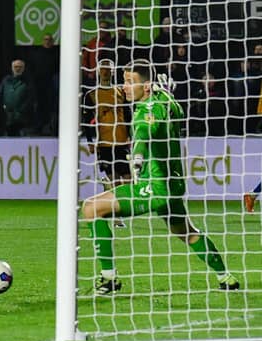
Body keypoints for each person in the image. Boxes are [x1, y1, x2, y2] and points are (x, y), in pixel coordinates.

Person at [81, 59, 239, 295]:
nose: (124, 87)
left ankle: (108, 278)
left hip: (154, 186)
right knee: (186, 231)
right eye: (123, 81)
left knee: (91, 208)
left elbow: (146, 130)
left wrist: (137, 156)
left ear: (146, 86)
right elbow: (176, 111)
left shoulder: (145, 111)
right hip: (174, 184)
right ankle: (226, 277)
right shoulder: (168, 101)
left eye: (129, 82)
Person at [82, 59, 131, 188]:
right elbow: (86, 121)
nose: (105, 72)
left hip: (122, 142)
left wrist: (131, 135)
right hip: (104, 144)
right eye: (103, 69)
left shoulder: (122, 92)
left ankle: (121, 204)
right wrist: (90, 142)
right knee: (114, 181)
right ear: (98, 71)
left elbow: (128, 116)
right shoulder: (91, 95)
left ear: (113, 72)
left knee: (128, 180)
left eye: (108, 69)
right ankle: (112, 201)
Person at [0, 59, 36, 136]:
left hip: (22, 119)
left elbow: (31, 98)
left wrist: (20, 111)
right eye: (15, 66)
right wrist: (2, 108)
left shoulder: (28, 81)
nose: (17, 69)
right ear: (12, 68)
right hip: (6, 117)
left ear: (23, 68)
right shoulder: (5, 80)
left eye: (20, 67)